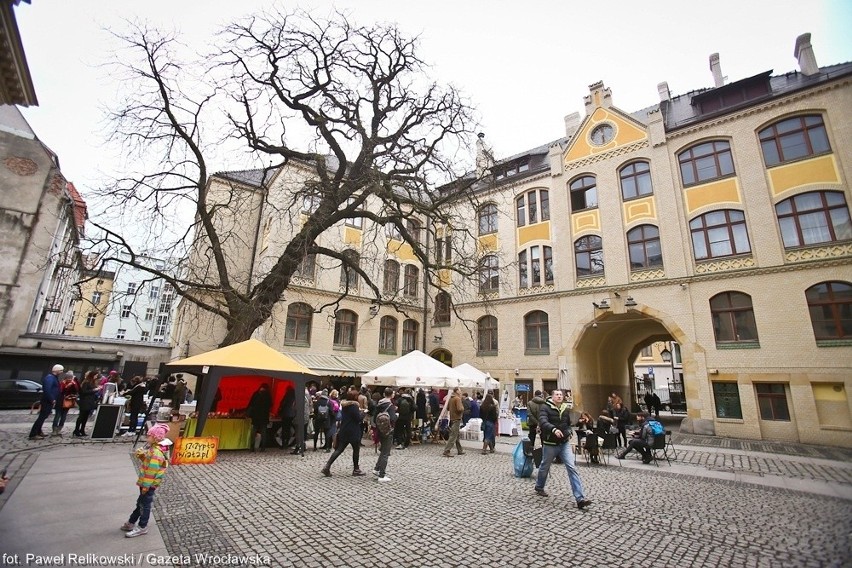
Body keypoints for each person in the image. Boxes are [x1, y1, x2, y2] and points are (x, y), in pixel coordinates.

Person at [533, 389, 593, 510]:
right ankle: (539, 486)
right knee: (545, 465)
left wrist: (568, 432)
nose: (559, 396)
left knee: (572, 468)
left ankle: (580, 498)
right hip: (550, 443)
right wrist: (554, 429)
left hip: (564, 443)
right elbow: (543, 421)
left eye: (561, 395)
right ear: (552, 396)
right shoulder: (545, 407)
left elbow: (567, 423)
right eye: (557, 395)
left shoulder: (565, 408)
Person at [121, 423, 171, 538]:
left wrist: (145, 486)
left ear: (155, 438)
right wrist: (142, 455)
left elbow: (151, 471)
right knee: (141, 503)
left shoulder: (156, 452)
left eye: (149, 436)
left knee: (144, 505)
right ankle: (131, 522)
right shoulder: (154, 449)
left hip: (148, 484)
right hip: (146, 483)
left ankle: (142, 526)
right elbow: (149, 462)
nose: (146, 437)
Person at [321, 389, 366, 477]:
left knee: (339, 449)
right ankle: (356, 469)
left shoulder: (344, 405)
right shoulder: (354, 406)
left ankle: (327, 466)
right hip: (353, 430)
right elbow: (358, 419)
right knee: (356, 450)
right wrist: (363, 413)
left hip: (344, 429)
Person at [29, 364, 63, 440]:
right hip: (47, 401)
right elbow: (47, 390)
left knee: (43, 417)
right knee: (42, 417)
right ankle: (33, 434)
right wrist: (52, 399)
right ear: (57, 370)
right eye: (61, 370)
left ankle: (38, 431)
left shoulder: (53, 378)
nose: (61, 372)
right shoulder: (50, 378)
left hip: (49, 400)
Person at [372, 387, 397, 482]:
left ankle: (377, 469)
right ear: (392, 395)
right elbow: (393, 418)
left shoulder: (379, 404)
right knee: (385, 453)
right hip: (388, 430)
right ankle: (382, 475)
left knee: (383, 450)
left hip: (379, 430)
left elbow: (374, 418)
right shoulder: (390, 405)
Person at [51, 371, 79, 436]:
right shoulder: (74, 383)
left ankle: (54, 430)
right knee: (63, 415)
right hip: (68, 401)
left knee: (57, 415)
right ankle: (59, 430)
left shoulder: (62, 383)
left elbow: (60, 391)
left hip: (60, 400)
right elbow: (77, 391)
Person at [247, 383, 272, 452]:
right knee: (263, 431)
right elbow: (270, 405)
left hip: (256, 415)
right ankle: (263, 447)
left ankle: (252, 447)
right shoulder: (268, 395)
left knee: (254, 431)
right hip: (264, 416)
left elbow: (251, 404)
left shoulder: (256, 394)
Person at [441, 387, 465, 457]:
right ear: (457, 391)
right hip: (457, 418)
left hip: (452, 418)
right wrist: (463, 408)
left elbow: (448, 408)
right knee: (453, 436)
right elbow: (460, 409)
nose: (461, 391)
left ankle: (460, 450)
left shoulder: (451, 398)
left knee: (456, 435)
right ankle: (447, 450)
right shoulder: (457, 399)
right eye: (460, 390)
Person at [74, 371, 99, 437]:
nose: (96, 377)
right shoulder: (86, 382)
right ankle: (76, 430)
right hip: (85, 401)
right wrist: (94, 390)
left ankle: (82, 430)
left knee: (85, 417)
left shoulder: (92, 382)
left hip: (90, 401)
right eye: (95, 375)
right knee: (81, 416)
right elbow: (83, 392)